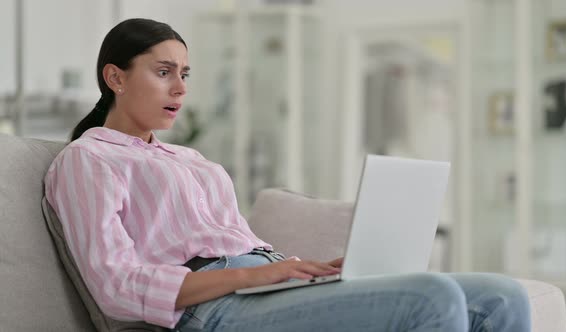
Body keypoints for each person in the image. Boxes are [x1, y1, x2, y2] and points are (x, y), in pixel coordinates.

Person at [44, 18, 531, 332]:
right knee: (435, 295)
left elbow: (237, 241)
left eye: (185, 74)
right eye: (164, 71)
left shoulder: (188, 159)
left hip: (264, 284)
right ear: (115, 77)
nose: (180, 88)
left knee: (501, 296)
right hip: (213, 309)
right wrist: (255, 275)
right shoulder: (88, 160)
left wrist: (297, 267)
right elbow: (115, 286)